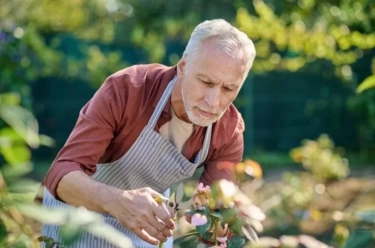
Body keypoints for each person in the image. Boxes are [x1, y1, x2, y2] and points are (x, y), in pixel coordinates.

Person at [40, 18, 256, 248]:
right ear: (183, 67)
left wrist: (222, 225)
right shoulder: (127, 90)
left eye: (228, 88)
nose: (214, 101)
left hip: (148, 226)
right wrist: (119, 202)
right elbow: (60, 174)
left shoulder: (229, 130)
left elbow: (215, 217)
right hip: (78, 216)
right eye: (205, 81)